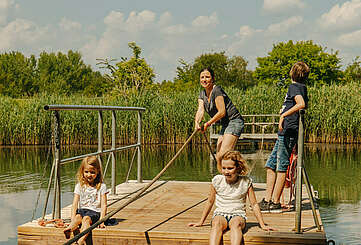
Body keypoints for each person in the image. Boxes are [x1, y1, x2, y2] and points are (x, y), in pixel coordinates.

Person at [188, 151, 274, 245]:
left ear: (238, 168)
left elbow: (254, 204)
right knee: (216, 223)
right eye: (223, 168)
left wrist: (262, 224)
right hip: (221, 213)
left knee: (235, 224)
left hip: (238, 214)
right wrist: (201, 221)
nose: (226, 171)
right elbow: (210, 201)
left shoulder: (245, 182)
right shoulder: (217, 181)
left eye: (230, 168)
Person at [259, 61, 309, 213]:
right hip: (286, 131)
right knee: (270, 164)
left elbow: (300, 104)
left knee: (281, 165)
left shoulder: (294, 87)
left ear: (292, 73)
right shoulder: (301, 87)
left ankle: (275, 202)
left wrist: (283, 115)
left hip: (288, 131)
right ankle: (268, 200)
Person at [195, 67, 244, 172]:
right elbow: (200, 110)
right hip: (225, 124)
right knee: (218, 156)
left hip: (234, 121)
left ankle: (239, 172)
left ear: (212, 79)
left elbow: (222, 112)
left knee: (224, 154)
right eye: (202, 77)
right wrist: (197, 123)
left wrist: (207, 124)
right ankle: (223, 180)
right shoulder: (202, 94)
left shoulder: (217, 90)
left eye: (207, 77)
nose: (204, 79)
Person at [63, 156, 107, 244]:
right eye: (86, 172)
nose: (89, 175)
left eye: (92, 172)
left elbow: (104, 205)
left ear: (98, 172)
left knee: (86, 219)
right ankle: (70, 228)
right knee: (77, 217)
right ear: (82, 172)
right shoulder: (79, 186)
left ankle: (81, 240)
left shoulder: (102, 186)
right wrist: (72, 219)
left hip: (94, 212)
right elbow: (75, 204)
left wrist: (101, 221)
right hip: (82, 210)